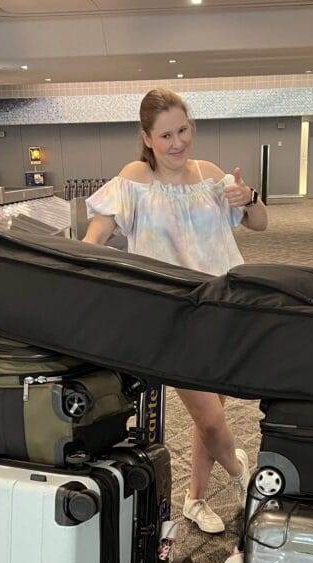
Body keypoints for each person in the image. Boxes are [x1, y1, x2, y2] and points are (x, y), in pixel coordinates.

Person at [83, 88, 268, 534]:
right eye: (165, 134)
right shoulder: (135, 181)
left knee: (212, 416)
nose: (177, 142)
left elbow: (260, 224)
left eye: (183, 130)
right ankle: (248, 485)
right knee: (210, 416)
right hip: (172, 318)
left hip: (223, 309)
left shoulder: (211, 177)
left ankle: (195, 499)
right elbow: (96, 237)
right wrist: (81, 266)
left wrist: (250, 198)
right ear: (147, 138)